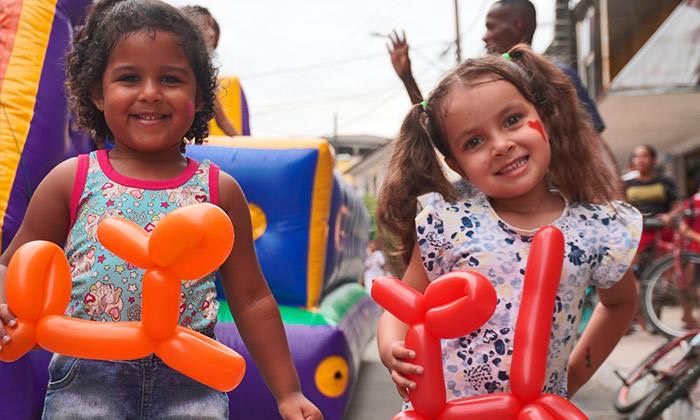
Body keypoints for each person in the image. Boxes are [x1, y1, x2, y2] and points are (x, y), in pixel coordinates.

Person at [0, 1, 321, 419]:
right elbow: (13, 264)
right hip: (87, 379)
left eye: (170, 78)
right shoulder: (71, 179)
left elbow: (252, 298)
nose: (150, 92)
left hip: (191, 380)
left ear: (199, 96)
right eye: (129, 78)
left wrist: (288, 392)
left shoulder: (218, 191)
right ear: (97, 92)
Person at [375, 44, 641, 404]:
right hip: (450, 411)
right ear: (456, 165)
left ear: (542, 118)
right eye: (474, 141)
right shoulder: (449, 224)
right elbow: (403, 305)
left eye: (512, 120)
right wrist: (391, 345)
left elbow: (620, 303)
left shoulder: (595, 228)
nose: (500, 145)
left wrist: (575, 374)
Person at [181, 5, 239, 137]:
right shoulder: (182, 69)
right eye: (205, 27)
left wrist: (244, 144)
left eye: (212, 28)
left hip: (197, 140)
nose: (212, 33)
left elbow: (222, 121)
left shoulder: (204, 74)